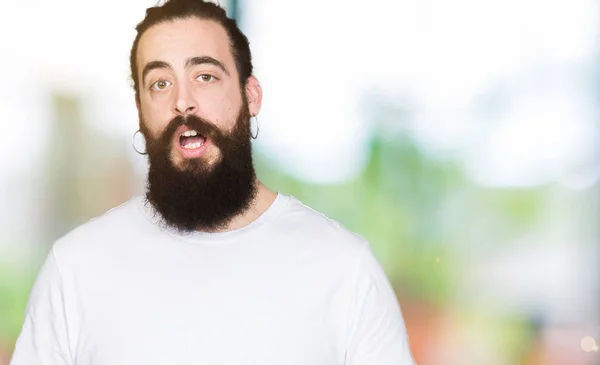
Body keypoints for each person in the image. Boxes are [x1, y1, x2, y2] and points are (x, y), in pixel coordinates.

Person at [10, 0, 416, 364]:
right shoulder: (76, 268)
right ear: (140, 111)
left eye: (205, 76)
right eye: (160, 83)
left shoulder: (344, 268)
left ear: (250, 96)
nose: (182, 102)